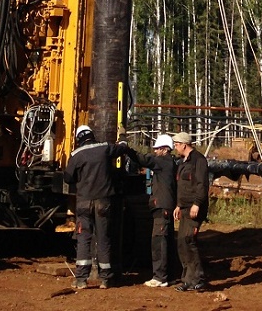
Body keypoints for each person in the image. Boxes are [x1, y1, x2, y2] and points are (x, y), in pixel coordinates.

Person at [63, 124, 118, 290]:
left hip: (84, 202)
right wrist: (121, 138)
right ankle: (106, 279)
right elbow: (122, 149)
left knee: (83, 238)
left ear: (79, 138)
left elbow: (67, 178)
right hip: (104, 201)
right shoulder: (104, 148)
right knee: (103, 238)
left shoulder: (76, 154)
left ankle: (81, 279)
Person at [119, 132, 177, 288]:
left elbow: (144, 159)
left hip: (161, 206)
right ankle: (168, 275)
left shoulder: (163, 162)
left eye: (158, 149)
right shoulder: (169, 163)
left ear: (165, 149)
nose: (156, 151)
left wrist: (127, 149)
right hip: (166, 205)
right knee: (167, 241)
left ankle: (160, 277)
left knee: (158, 241)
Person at [172, 130, 209, 292]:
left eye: (177, 144)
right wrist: (179, 205)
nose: (175, 147)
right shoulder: (183, 162)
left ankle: (198, 278)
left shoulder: (198, 161)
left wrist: (197, 204)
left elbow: (202, 185)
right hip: (184, 206)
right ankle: (187, 279)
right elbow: (182, 186)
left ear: (184, 144)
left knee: (189, 240)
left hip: (195, 208)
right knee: (181, 242)